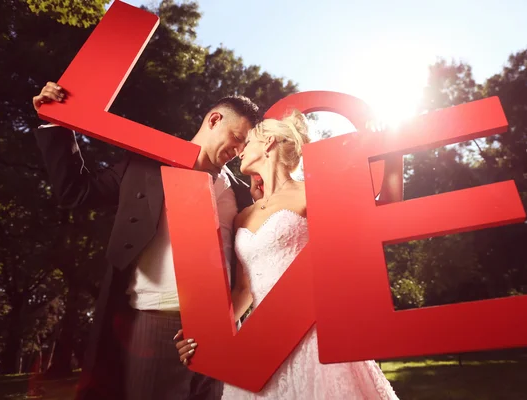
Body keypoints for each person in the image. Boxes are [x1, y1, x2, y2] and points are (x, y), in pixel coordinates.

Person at [32, 82, 260, 400]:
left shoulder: (240, 192)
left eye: (244, 144)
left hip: (218, 329)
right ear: (214, 120)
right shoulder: (144, 165)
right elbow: (76, 191)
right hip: (154, 320)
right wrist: (57, 121)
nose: (237, 151)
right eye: (236, 137)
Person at [174, 110, 400, 399]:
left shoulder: (312, 193)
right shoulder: (244, 215)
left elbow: (386, 210)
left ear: (268, 142)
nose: (240, 150)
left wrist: (391, 153)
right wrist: (205, 332)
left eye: (249, 141)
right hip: (263, 345)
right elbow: (244, 289)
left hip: (314, 338)